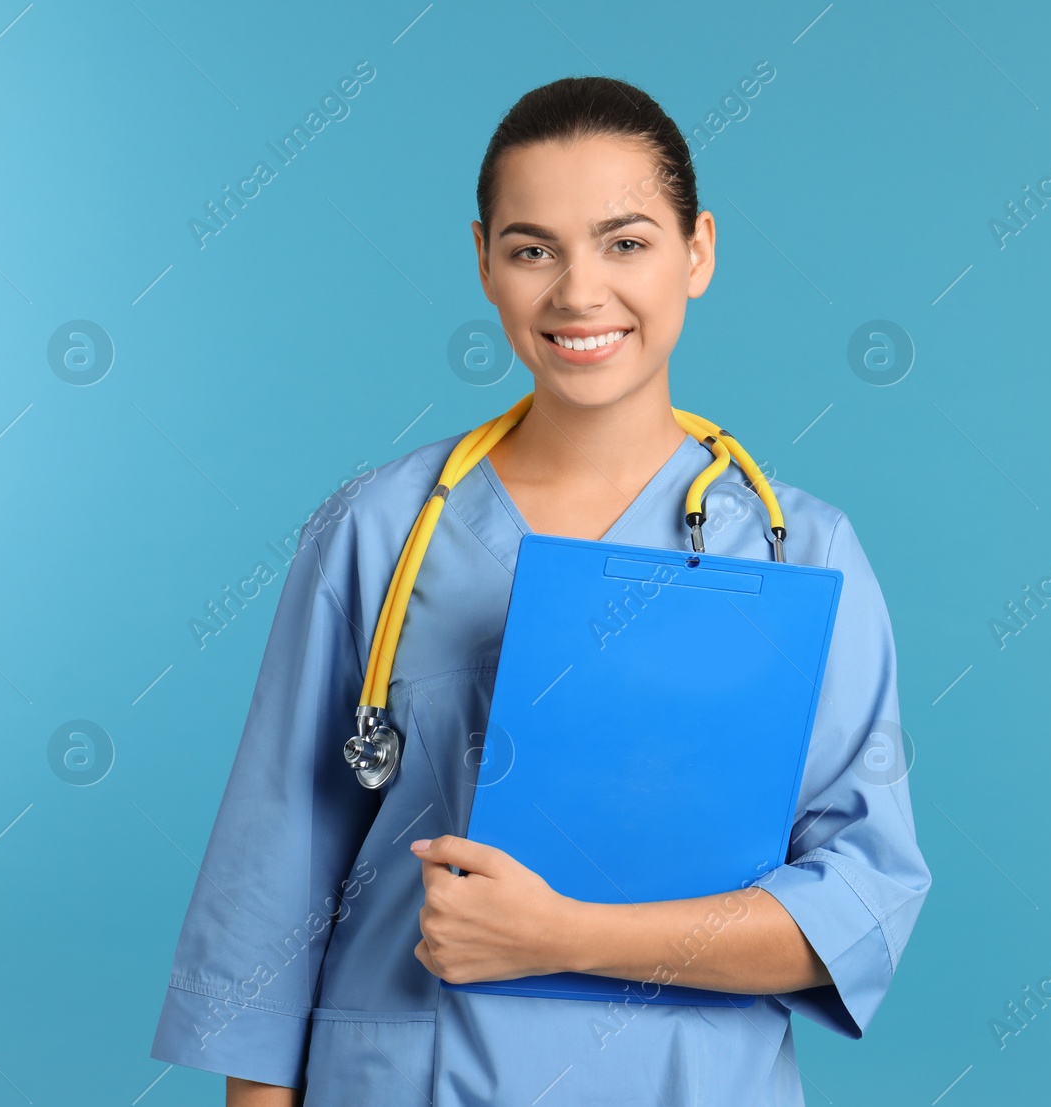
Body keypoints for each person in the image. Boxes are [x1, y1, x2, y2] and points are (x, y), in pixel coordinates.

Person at [149, 75, 931, 1107]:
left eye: (625, 242)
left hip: (686, 1083)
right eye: (533, 249)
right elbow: (273, 880)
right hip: (411, 1074)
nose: (578, 293)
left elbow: (859, 899)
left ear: (697, 251)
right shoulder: (379, 529)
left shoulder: (800, 553)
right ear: (483, 261)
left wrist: (562, 936)